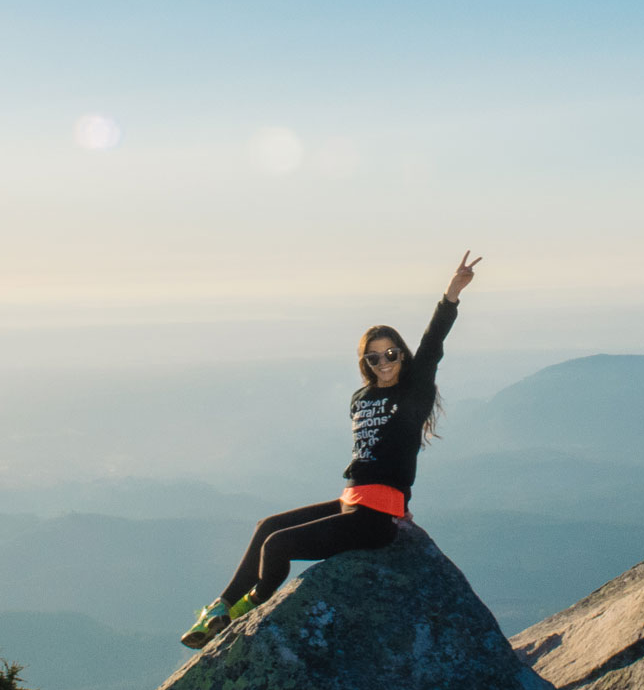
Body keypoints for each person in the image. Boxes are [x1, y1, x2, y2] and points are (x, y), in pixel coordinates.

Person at [181, 251, 483, 648]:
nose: (383, 362)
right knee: (266, 527)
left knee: (278, 547)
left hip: (376, 517)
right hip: (352, 503)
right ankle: (220, 606)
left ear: (402, 355)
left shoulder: (414, 391)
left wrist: (451, 294)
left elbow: (433, 342)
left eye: (391, 354)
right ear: (366, 362)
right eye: (373, 357)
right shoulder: (362, 397)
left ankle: (249, 606)